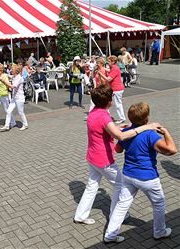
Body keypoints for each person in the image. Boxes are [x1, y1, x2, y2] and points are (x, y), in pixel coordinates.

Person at [73, 85, 161, 226]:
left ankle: (80, 215)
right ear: (108, 101)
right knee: (120, 184)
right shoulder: (104, 116)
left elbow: (103, 129)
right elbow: (120, 136)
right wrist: (145, 127)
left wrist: (116, 126)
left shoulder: (93, 112)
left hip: (92, 156)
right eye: (111, 97)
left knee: (92, 186)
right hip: (103, 159)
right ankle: (117, 215)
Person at [104, 102, 177, 243]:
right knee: (159, 203)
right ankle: (159, 231)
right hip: (148, 178)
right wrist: (166, 133)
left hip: (128, 175)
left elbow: (118, 150)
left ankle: (110, 235)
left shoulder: (125, 133)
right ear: (146, 119)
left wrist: (125, 131)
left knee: (122, 204)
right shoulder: (150, 134)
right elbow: (171, 150)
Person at [98, 55, 126, 123]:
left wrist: (101, 74)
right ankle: (106, 115)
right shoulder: (113, 67)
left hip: (117, 89)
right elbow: (109, 70)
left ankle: (122, 118)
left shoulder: (115, 69)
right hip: (114, 89)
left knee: (117, 104)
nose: (107, 62)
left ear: (113, 62)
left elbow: (108, 79)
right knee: (108, 101)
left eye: (109, 61)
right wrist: (104, 68)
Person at [1, 64, 28, 131]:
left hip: (19, 98)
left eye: (12, 70)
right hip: (14, 98)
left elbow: (13, 87)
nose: (11, 70)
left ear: (15, 71)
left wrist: (5, 81)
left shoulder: (19, 78)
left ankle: (25, 124)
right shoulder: (14, 76)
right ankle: (7, 125)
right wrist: (5, 74)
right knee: (9, 111)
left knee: (20, 112)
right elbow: (10, 76)